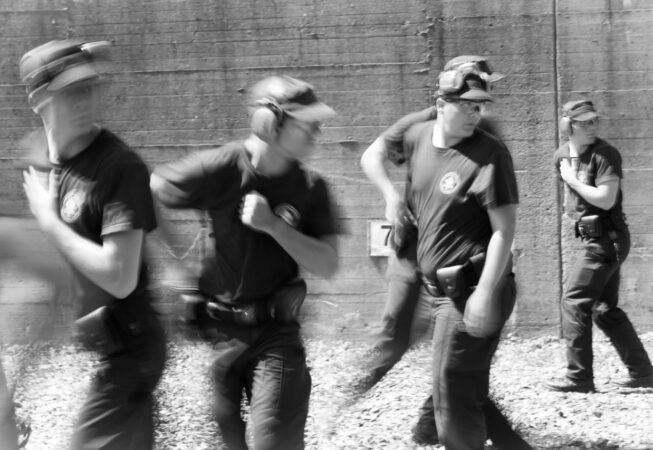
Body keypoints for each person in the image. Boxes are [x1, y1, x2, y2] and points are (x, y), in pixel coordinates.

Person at [150, 75, 339, 449]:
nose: (317, 132)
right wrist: (177, 268)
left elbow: (328, 264)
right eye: (308, 123)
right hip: (221, 334)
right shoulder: (222, 167)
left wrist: (274, 226)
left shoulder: (312, 188)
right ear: (271, 122)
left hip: (276, 334)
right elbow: (150, 189)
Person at [361, 63, 529, 449]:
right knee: (455, 387)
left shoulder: (490, 153)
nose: (476, 113)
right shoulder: (417, 135)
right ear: (440, 105)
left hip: (470, 288)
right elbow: (373, 156)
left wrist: (485, 293)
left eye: (479, 105)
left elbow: (504, 231)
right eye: (466, 105)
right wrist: (392, 198)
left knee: (453, 393)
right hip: (437, 290)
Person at [18, 39, 166, 449]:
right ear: (37, 99)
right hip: (107, 347)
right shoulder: (45, 162)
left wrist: (49, 222)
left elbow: (120, 277)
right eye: (69, 92)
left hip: (131, 351)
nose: (84, 100)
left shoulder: (118, 167)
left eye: (88, 87)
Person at [546, 99, 653, 393]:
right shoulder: (562, 155)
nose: (591, 127)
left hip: (609, 240)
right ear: (567, 125)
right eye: (584, 122)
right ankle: (644, 373)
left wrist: (572, 180)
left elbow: (606, 199)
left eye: (594, 121)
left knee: (574, 301)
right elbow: (573, 199)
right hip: (595, 239)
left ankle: (579, 377)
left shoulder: (605, 154)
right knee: (604, 309)